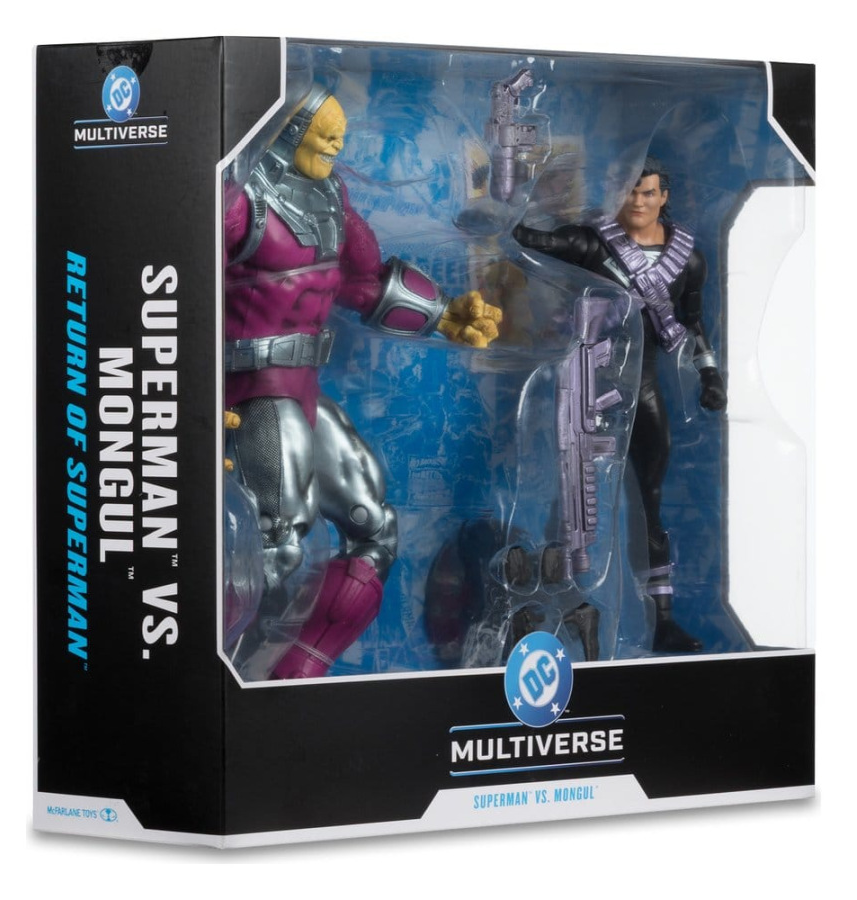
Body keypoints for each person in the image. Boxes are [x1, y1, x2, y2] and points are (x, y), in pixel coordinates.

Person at [225, 87, 501, 679]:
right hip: (250, 393)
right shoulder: (240, 201)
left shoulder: (330, 199)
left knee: (374, 529)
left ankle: (293, 677)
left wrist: (445, 316)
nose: (336, 141)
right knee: (277, 546)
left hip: (302, 387)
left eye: (340, 131)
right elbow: (175, 290)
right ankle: (223, 672)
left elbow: (364, 285)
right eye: (323, 129)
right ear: (287, 128)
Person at [514, 157, 726, 652]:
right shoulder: (595, 244)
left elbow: (692, 322)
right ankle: (559, 596)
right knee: (569, 492)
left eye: (648, 193)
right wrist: (515, 194)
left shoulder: (687, 259)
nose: (639, 201)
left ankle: (662, 618)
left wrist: (710, 373)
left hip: (642, 381)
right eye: (631, 191)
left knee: (649, 496)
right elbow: (536, 241)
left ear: (663, 197)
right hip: (586, 380)